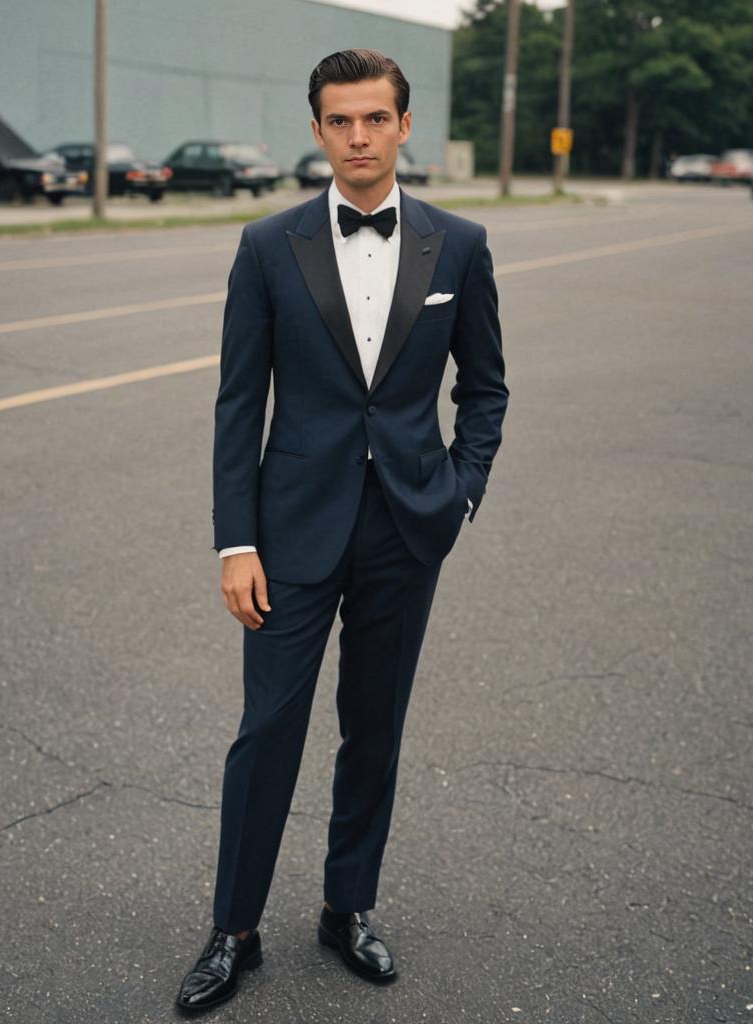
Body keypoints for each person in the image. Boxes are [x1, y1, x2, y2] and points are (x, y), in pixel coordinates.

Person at [176, 48, 508, 1013]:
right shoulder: (266, 245)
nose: (358, 137)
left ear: (406, 126)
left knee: (375, 730)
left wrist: (460, 494)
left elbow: (484, 389)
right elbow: (239, 404)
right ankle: (233, 930)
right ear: (317, 130)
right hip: (288, 534)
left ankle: (346, 906)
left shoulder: (462, 244)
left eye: (375, 119)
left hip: (407, 528)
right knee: (267, 729)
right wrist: (234, 541)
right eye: (339, 121)